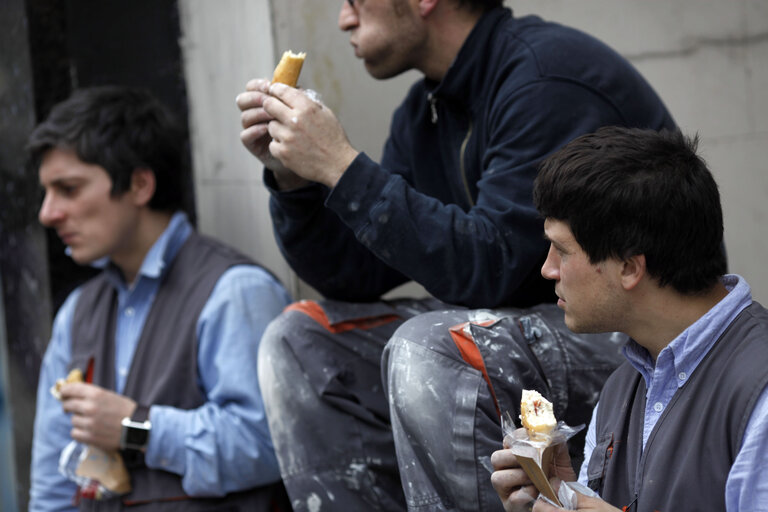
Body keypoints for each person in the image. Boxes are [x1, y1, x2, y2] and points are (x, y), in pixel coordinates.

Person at [236, 0, 677, 510]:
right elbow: (351, 271)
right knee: (300, 339)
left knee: (431, 347)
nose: (343, 19)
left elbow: (496, 268)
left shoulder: (546, 79)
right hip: (526, 332)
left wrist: (341, 166)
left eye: (355, 1)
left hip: (639, 348)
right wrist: (295, 180)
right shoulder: (427, 108)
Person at [28, 86, 293, 511]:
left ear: (139, 184)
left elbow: (270, 445)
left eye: (69, 189)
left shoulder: (234, 291)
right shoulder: (76, 313)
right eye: (47, 192)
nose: (48, 213)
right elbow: (52, 487)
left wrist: (137, 428)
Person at [490, 126, 768, 512]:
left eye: (561, 250)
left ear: (628, 267)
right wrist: (562, 496)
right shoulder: (623, 387)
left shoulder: (759, 393)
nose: (547, 269)